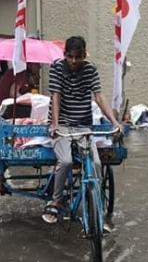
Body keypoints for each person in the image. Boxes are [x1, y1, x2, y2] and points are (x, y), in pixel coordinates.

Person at [43, 36, 122, 224]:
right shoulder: (56, 68)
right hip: (61, 124)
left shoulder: (90, 69)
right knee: (66, 161)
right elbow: (56, 96)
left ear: (84, 56)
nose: (73, 61)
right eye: (70, 57)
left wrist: (114, 121)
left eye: (78, 57)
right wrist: (54, 124)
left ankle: (94, 203)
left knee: (95, 163)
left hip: (83, 125)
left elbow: (99, 96)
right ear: (65, 55)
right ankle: (56, 200)